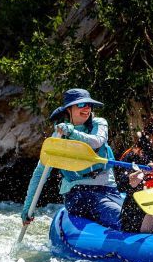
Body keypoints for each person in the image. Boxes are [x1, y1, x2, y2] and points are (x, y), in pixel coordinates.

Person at [21, 88, 122, 229]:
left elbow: (97, 141)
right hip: (78, 192)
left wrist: (72, 132)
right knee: (120, 218)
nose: (86, 108)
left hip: (107, 189)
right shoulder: (58, 135)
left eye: (89, 105)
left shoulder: (99, 123)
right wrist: (27, 207)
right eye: (81, 104)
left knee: (129, 216)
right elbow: (40, 173)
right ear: (69, 109)